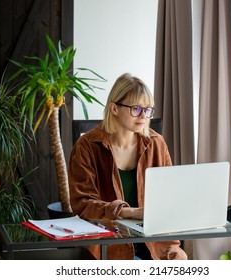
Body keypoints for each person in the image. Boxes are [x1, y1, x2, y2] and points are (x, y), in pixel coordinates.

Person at [68, 73, 187, 260]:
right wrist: (130, 212)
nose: (143, 116)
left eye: (147, 110)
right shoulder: (86, 147)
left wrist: (173, 247)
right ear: (114, 108)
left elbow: (168, 199)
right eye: (136, 108)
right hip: (110, 248)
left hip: (156, 245)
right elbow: (82, 204)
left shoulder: (157, 143)